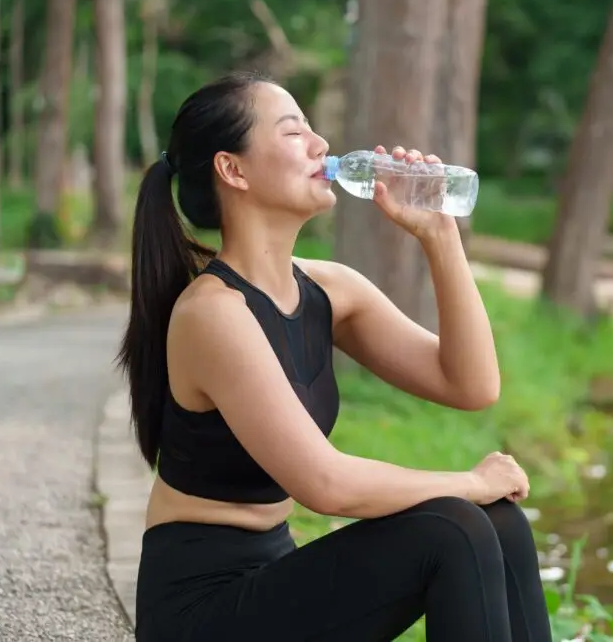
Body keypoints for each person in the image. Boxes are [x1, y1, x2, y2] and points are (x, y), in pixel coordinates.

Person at [117, 71, 553, 642]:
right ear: (233, 169)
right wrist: (470, 481)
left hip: (275, 583)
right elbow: (326, 485)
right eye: (293, 131)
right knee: (453, 529)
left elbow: (471, 384)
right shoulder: (213, 314)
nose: (321, 144)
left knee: (499, 522)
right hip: (203, 613)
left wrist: (440, 236)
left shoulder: (330, 289)